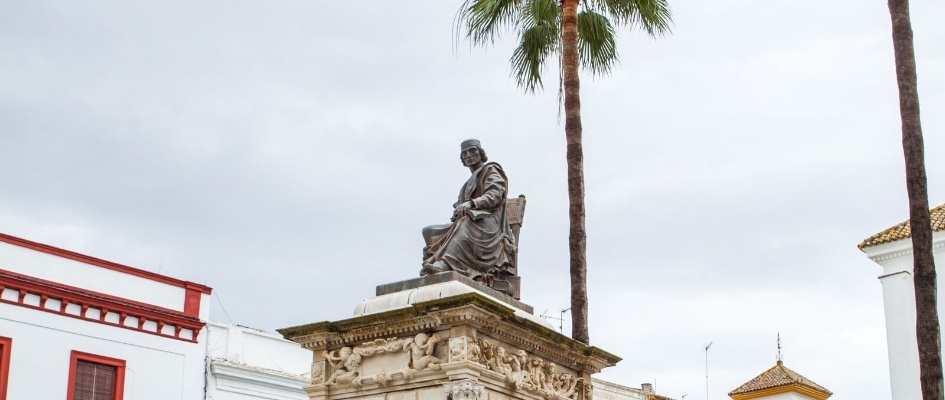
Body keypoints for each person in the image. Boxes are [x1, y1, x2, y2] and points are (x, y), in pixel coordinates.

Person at [421, 139, 515, 284]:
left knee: (466, 222)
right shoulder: (468, 182)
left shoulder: (491, 170)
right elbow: (460, 207)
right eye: (465, 153)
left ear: (480, 153)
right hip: (470, 221)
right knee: (429, 232)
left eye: (472, 151)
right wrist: (457, 211)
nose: (469, 155)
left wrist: (472, 203)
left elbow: (495, 194)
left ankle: (445, 264)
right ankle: (433, 266)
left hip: (489, 224)